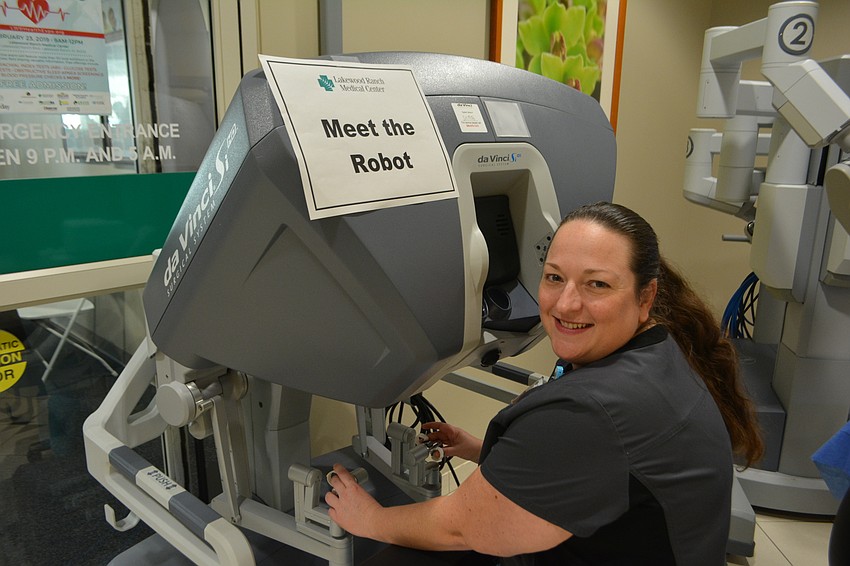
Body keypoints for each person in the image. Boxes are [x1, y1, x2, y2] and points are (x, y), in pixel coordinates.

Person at [326, 201, 764, 565]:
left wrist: (370, 519)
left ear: (645, 297)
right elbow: (608, 469)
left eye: (597, 284)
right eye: (555, 277)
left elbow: (461, 526)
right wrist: (486, 450)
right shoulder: (660, 351)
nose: (566, 303)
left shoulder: (594, 411)